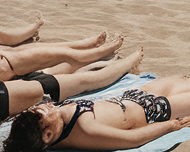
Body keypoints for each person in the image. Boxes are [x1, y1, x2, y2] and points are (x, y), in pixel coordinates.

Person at [2, 63, 190, 152]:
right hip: (155, 111)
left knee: (185, 81)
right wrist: (171, 127)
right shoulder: (85, 131)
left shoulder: (56, 120)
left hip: (134, 96)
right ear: (48, 135)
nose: (44, 106)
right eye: (41, 114)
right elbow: (132, 140)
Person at [0, 48, 144, 122]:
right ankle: (125, 63)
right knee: (83, 80)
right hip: (12, 93)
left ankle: (114, 62)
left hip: (14, 92)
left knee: (79, 79)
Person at [0, 31, 125, 84]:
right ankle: (97, 52)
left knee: (30, 49)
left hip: (7, 62)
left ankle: (82, 45)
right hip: (7, 68)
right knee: (61, 55)